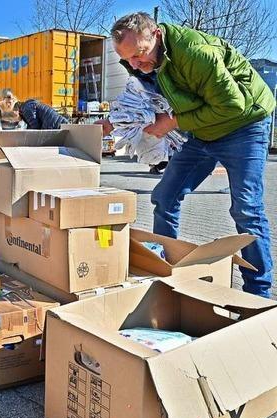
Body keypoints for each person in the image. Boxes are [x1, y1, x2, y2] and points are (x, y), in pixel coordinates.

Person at [96, 12, 275, 297]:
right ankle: (163, 271)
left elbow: (233, 105)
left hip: (244, 126)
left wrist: (173, 122)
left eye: (139, 55)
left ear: (156, 35)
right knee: (165, 197)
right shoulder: (142, 61)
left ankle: (259, 294)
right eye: (127, 59)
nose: (135, 66)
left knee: (246, 209)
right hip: (203, 130)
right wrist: (114, 122)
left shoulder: (195, 54)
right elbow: (145, 98)